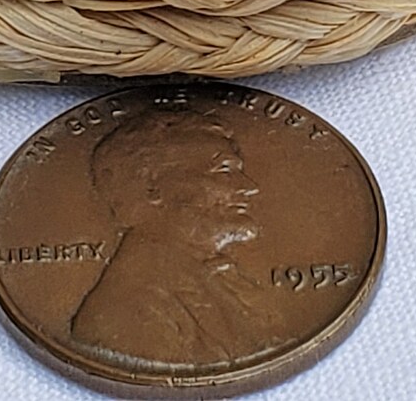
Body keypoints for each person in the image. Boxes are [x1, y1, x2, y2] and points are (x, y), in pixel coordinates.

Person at [70, 106, 282, 367]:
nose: (248, 187)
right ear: (152, 187)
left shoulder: (213, 277)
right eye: (224, 170)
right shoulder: (131, 312)